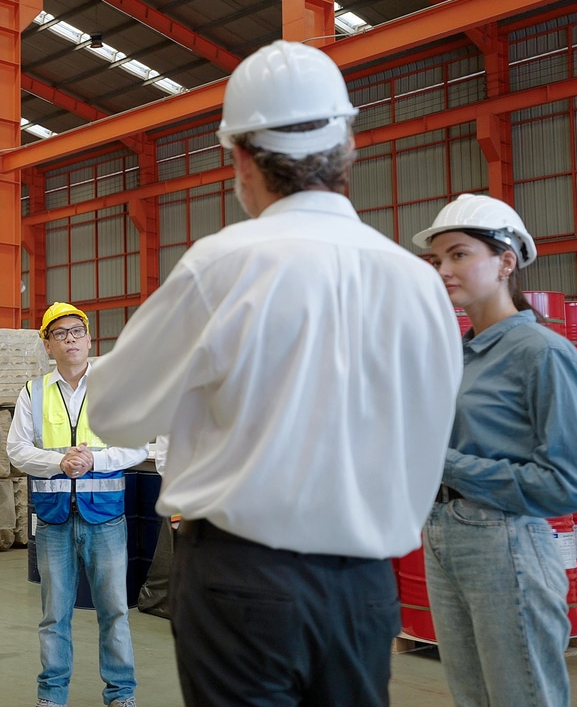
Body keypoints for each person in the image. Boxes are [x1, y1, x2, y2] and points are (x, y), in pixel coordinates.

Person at [86, 40, 463, 706]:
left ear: (239, 159)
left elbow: (114, 412)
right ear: (349, 149)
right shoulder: (418, 284)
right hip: (366, 590)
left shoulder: (222, 266)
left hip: (242, 583)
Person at [414, 194, 577, 707]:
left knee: (521, 696)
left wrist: (443, 462)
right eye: (437, 260)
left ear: (506, 261)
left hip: (504, 541)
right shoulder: (460, 354)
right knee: (472, 698)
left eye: (458, 254)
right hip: (442, 534)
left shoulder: (540, 352)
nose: (444, 270)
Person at [6, 302, 146, 707]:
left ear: (89, 339)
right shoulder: (33, 393)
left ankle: (121, 694)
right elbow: (16, 449)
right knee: (54, 617)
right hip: (53, 521)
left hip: (105, 518)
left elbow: (136, 444)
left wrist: (93, 461)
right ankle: (51, 697)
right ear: (48, 345)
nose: (70, 339)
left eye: (76, 332)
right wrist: (58, 461)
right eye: (60, 334)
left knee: (115, 612)